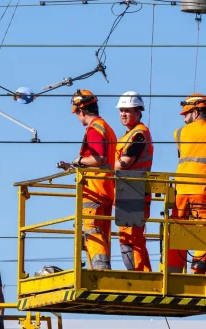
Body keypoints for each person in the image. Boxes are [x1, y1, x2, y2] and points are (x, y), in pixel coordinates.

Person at [167, 93, 206, 275]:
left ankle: (173, 273)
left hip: (180, 191)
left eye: (185, 115)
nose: (185, 119)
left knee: (178, 229)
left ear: (194, 112)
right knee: (204, 230)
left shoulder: (178, 133)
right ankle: (198, 270)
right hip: (204, 190)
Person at [58, 89, 118, 270]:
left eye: (77, 114)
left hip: (94, 189)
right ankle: (98, 268)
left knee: (92, 230)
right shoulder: (107, 128)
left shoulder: (94, 129)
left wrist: (78, 161)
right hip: (107, 189)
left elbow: (98, 158)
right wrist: (73, 166)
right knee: (102, 233)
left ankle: (100, 272)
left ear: (81, 112)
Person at [113, 91, 153, 272]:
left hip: (134, 191)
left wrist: (103, 167)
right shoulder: (127, 136)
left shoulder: (139, 135)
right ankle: (142, 274)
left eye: (127, 110)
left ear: (138, 112)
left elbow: (124, 163)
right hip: (127, 192)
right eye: (121, 110)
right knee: (129, 238)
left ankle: (141, 275)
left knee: (132, 238)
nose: (123, 114)